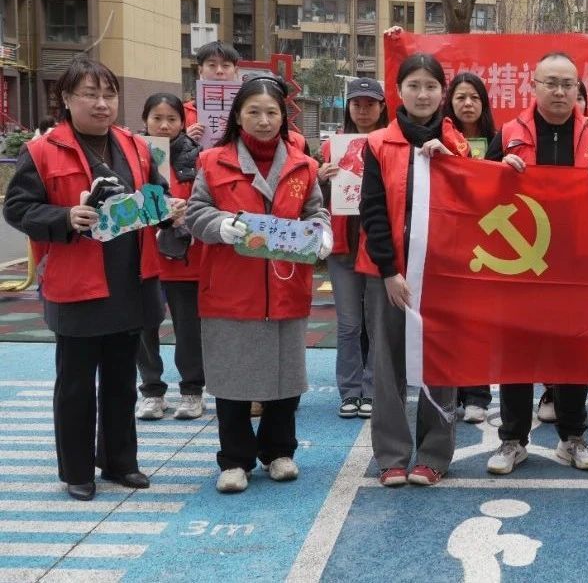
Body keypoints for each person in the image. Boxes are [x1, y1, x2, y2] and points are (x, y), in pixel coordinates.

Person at [3, 56, 178, 500]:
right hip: (77, 283)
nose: (102, 104)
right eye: (90, 94)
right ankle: (77, 470)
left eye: (109, 94)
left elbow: (156, 196)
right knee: (76, 383)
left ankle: (120, 462)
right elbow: (18, 208)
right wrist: (65, 217)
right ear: (66, 98)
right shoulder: (42, 150)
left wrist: (168, 209)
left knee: (121, 380)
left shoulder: (136, 146)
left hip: (131, 279)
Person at [185, 76, 331, 494]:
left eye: (272, 112)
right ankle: (235, 459)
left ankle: (279, 451)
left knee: (286, 376)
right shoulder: (213, 161)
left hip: (285, 285)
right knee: (232, 377)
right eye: (254, 112)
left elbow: (315, 213)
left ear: (283, 117)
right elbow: (195, 211)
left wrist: (321, 233)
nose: (264, 121)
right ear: (238, 116)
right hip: (231, 288)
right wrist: (219, 225)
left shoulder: (303, 165)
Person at [483, 51, 588, 475]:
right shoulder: (508, 133)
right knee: (517, 351)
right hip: (521, 261)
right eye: (551, 83)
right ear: (534, 86)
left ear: (578, 89)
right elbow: (478, 194)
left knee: (573, 350)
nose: (560, 92)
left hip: (577, 262)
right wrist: (497, 171)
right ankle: (512, 439)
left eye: (567, 84)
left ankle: (572, 437)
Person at [360, 50, 470, 487]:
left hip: (444, 274)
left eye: (431, 86)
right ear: (398, 91)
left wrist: (452, 164)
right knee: (386, 365)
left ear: (442, 92)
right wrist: (389, 270)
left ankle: (434, 454)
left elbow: (473, 207)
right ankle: (391, 455)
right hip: (390, 274)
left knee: (439, 363)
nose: (423, 94)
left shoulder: (458, 145)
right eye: (414, 86)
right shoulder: (377, 144)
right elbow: (372, 211)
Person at [318, 77, 389, 420]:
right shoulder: (331, 147)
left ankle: (373, 390)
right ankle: (350, 390)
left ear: (382, 106)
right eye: (357, 104)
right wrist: (320, 178)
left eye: (370, 104)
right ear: (348, 107)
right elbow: (314, 199)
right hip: (343, 246)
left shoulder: (392, 143)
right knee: (348, 325)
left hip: (377, 247)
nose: (363, 110)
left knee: (376, 325)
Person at [136, 93, 207, 421]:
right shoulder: (131, 155)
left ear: (183, 121)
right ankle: (151, 391)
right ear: (145, 120)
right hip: (141, 257)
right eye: (157, 118)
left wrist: (185, 211)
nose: (164, 126)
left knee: (188, 329)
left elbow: (207, 200)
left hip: (184, 259)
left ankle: (192, 390)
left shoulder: (199, 158)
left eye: (172, 119)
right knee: (143, 327)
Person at [442, 72, 499, 423]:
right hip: (448, 239)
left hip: (487, 242)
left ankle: (478, 393)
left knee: (479, 321)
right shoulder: (437, 139)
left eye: (474, 98)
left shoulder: (499, 139)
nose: (467, 104)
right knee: (449, 320)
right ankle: (452, 392)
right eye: (460, 97)